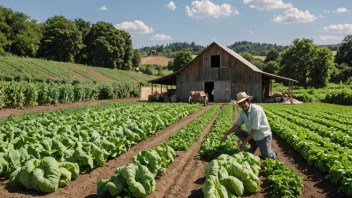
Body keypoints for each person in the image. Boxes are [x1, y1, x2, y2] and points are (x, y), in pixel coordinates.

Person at [221, 92, 277, 159]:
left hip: (263, 137)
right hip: (254, 137)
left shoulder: (256, 110)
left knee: (267, 157)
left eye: (244, 102)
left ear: (248, 101)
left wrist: (245, 142)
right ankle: (254, 144)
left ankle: (273, 154)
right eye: (240, 103)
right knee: (237, 131)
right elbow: (236, 126)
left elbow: (255, 129)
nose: (242, 105)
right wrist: (225, 134)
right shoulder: (242, 113)